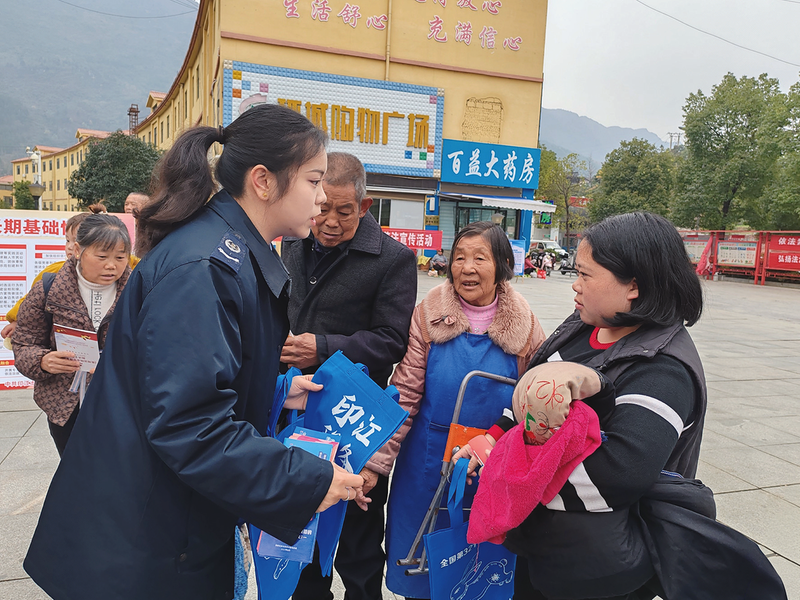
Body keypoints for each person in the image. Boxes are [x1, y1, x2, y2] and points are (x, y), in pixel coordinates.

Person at [22, 104, 364, 600]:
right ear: (263, 181)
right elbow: (188, 424)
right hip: (145, 540)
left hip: (165, 520)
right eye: (313, 180)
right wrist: (307, 480)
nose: (322, 196)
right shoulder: (204, 268)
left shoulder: (224, 251)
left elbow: (186, 381)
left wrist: (275, 390)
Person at [462, 212, 708, 600]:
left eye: (585, 275)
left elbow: (617, 476)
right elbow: (532, 400)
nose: (575, 285)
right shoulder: (585, 324)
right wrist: (493, 438)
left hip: (599, 570)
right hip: (544, 548)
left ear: (633, 286)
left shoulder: (664, 369)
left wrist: (507, 471)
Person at [376, 221, 546, 600]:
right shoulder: (428, 314)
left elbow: (535, 403)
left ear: (503, 265)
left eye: (479, 258)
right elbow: (405, 392)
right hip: (425, 464)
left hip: (492, 465)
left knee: (481, 573)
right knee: (419, 567)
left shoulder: (525, 327)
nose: (467, 268)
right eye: (459, 258)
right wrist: (376, 462)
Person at [280, 152, 417, 600]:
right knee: (301, 535)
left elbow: (391, 340)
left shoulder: (393, 259)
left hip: (355, 419)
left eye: (344, 211)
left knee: (358, 544)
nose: (330, 222)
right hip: (296, 409)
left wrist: (322, 347)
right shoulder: (293, 241)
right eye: (323, 209)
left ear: (365, 205)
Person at [11, 213, 133, 456]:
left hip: (121, 401)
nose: (112, 265)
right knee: (73, 468)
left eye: (120, 257)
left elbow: (155, 346)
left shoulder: (137, 292)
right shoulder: (48, 289)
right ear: (78, 250)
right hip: (64, 404)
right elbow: (24, 343)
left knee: (118, 469)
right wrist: (42, 361)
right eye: (102, 256)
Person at [1, 205, 133, 342]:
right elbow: (31, 309)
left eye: (75, 239)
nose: (70, 246)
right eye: (67, 240)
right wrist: (17, 319)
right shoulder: (53, 274)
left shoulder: (134, 284)